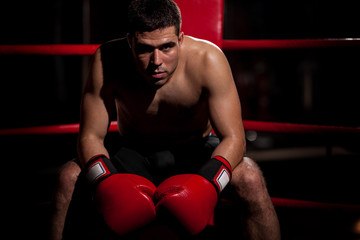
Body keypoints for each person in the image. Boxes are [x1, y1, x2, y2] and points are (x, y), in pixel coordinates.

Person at [50, 0, 280, 239]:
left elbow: (234, 137)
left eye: (167, 47)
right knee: (68, 177)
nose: (157, 61)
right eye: (144, 49)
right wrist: (104, 179)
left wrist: (210, 182)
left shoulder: (208, 60)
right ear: (130, 41)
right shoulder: (107, 59)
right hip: (134, 152)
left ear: (180, 39)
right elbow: (90, 136)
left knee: (251, 178)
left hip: (194, 152)